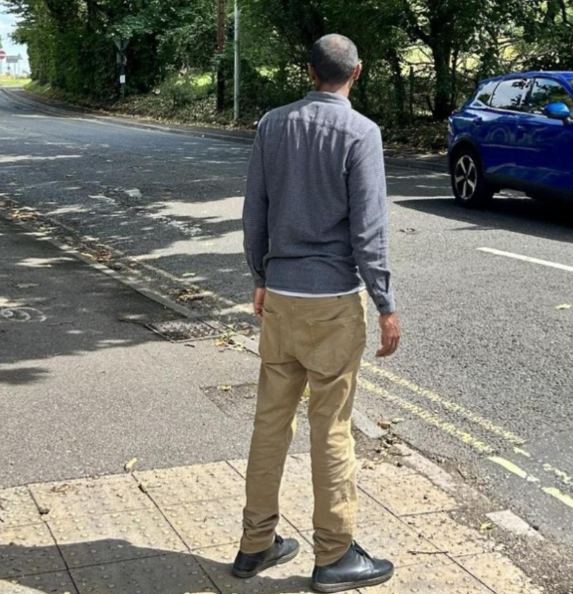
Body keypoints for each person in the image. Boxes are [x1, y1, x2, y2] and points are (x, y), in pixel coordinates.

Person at [236, 33, 401, 593]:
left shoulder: (272, 125)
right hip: (331, 303)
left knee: (269, 423)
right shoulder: (361, 132)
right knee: (330, 428)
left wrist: (260, 278)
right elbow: (369, 229)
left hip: (280, 297)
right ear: (357, 72)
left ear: (310, 72)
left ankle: (255, 543)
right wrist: (384, 303)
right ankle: (333, 555)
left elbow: (253, 210)